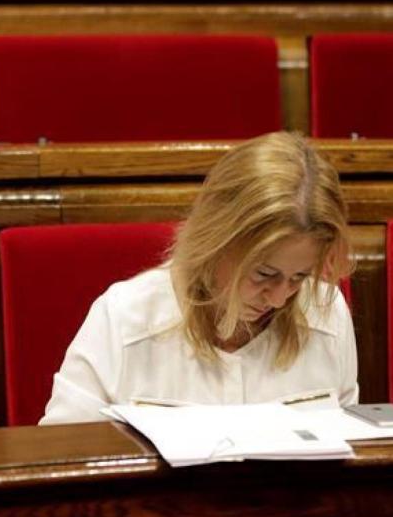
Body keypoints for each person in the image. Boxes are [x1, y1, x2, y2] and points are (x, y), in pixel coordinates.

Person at [40, 132, 358, 425]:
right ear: (214, 242)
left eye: (299, 278)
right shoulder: (123, 319)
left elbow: (351, 466)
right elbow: (64, 457)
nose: (278, 298)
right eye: (264, 274)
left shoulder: (327, 314)